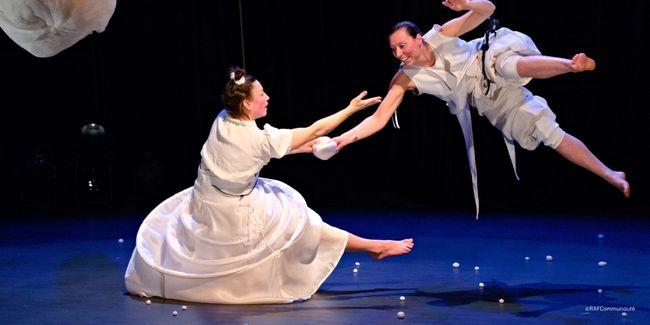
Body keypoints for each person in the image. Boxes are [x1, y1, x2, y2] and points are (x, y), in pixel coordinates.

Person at [124, 67, 414, 304]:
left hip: (205, 201)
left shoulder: (223, 119)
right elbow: (315, 130)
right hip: (233, 212)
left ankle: (373, 245)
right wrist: (350, 109)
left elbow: (265, 151)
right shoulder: (258, 139)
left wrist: (306, 148)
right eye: (261, 94)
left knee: (302, 225)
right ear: (247, 103)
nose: (267, 97)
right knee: (305, 224)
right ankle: (374, 246)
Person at [333, 0, 629, 216]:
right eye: (394, 49)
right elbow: (379, 118)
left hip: (485, 59)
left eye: (403, 45)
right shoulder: (405, 78)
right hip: (487, 98)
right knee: (548, 132)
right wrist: (344, 139)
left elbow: (488, 9)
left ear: (419, 38)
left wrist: (466, 4)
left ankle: (571, 66)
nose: (399, 54)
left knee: (505, 66)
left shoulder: (441, 35)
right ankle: (609, 174)